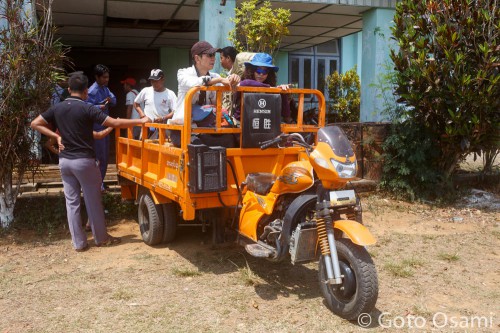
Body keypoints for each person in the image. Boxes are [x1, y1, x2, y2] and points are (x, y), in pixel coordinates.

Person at [30, 73, 151, 252]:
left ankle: (79, 243)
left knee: (71, 203)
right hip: (84, 161)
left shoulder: (58, 108)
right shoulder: (87, 108)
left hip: (65, 162)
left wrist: (56, 135)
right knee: (93, 200)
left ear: (69, 89)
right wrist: (141, 120)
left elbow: (35, 123)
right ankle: (101, 238)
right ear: (86, 91)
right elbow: (112, 122)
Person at [171, 41, 240, 147]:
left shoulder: (215, 76)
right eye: (209, 55)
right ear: (197, 58)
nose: (213, 58)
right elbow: (194, 82)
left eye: (214, 55)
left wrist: (234, 79)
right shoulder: (183, 73)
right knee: (198, 148)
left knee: (232, 141)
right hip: (182, 130)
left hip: (206, 129)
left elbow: (229, 85)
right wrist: (219, 80)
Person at [233, 52, 293, 123]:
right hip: (242, 123)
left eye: (265, 71)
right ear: (252, 70)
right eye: (258, 70)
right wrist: (270, 88)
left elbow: (286, 114)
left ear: (269, 73)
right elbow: (246, 82)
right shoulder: (244, 83)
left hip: (265, 124)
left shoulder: (272, 89)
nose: (261, 74)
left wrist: (282, 92)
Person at [86, 64, 117, 191]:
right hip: (96, 128)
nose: (106, 80)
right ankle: (95, 184)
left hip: (105, 126)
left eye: (108, 77)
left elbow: (114, 100)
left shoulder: (105, 88)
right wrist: (100, 107)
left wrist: (110, 99)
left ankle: (101, 182)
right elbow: (86, 107)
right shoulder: (92, 91)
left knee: (104, 157)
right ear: (97, 77)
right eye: (104, 77)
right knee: (98, 157)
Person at [133, 69, 177, 139]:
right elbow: (136, 103)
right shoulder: (146, 91)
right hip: (146, 127)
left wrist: (163, 118)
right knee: (144, 148)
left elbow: (175, 111)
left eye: (156, 81)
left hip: (162, 128)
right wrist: (142, 114)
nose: (154, 83)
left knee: (161, 149)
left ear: (163, 80)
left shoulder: (170, 94)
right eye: (152, 81)